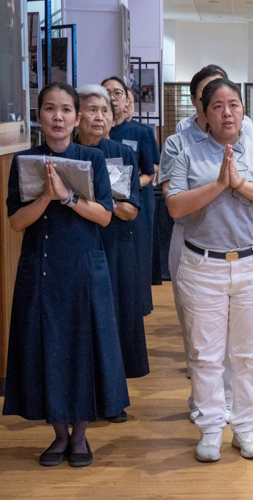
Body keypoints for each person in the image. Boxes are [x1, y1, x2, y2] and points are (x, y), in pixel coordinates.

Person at [2, 82, 129, 467]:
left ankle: (81, 438)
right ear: (39, 117)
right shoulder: (24, 161)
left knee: (83, 351)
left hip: (84, 271)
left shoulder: (92, 159)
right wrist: (46, 195)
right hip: (38, 272)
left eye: (66, 110)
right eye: (49, 109)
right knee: (47, 352)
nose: (58, 117)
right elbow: (15, 222)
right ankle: (58, 435)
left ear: (76, 118)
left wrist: (69, 197)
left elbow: (105, 216)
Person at [167, 78, 253, 462]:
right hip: (203, 265)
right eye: (218, 105)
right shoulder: (187, 152)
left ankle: (244, 427)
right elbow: (175, 206)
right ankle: (209, 429)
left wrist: (240, 184)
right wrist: (220, 183)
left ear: (243, 110)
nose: (227, 112)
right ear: (204, 113)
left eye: (234, 104)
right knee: (206, 356)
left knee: (249, 355)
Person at [159, 69, 237, 425]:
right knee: (196, 325)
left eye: (228, 100)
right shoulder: (178, 143)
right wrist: (221, 185)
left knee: (236, 331)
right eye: (210, 97)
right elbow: (173, 199)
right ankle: (203, 399)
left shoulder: (244, 134)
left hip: (235, 241)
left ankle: (231, 400)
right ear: (196, 102)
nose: (221, 108)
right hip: (190, 238)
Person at [75, 85, 149, 421]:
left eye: (105, 110)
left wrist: (90, 204)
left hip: (115, 246)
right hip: (76, 245)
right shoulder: (67, 153)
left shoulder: (119, 153)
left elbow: (129, 210)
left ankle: (113, 397)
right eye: (92, 109)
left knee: (114, 321)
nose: (100, 117)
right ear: (77, 115)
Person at [102, 76, 159, 316]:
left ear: (127, 100)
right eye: (108, 93)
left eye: (118, 93)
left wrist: (130, 189)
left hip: (136, 203)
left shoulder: (141, 131)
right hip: (105, 205)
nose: (113, 98)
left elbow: (152, 171)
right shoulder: (98, 133)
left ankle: (137, 308)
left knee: (136, 257)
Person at [175, 64, 253, 144]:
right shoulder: (183, 128)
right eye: (206, 90)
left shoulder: (245, 126)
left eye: (233, 105)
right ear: (193, 100)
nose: (227, 114)